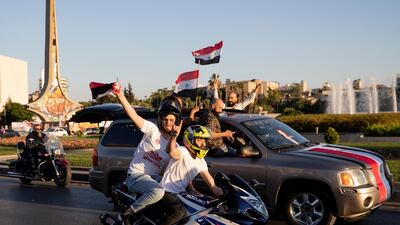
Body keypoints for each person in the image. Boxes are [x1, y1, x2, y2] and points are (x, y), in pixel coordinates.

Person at [113, 82, 182, 225]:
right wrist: (120, 95)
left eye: (172, 120)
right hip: (136, 176)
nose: (168, 123)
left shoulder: (175, 146)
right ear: (160, 118)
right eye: (165, 119)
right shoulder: (152, 130)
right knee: (158, 192)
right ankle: (126, 215)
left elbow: (179, 166)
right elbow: (133, 115)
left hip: (154, 179)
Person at [154, 124, 224, 225]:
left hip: (181, 194)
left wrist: (229, 195)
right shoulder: (183, 151)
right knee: (179, 212)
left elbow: (212, 185)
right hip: (165, 191)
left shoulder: (201, 161)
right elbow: (171, 151)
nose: (203, 144)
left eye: (204, 140)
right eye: (200, 140)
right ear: (190, 139)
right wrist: (173, 136)